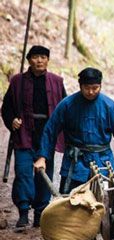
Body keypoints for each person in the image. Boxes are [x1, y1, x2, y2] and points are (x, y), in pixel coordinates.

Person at [34, 67, 114, 194]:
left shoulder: (109, 106)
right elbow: (50, 131)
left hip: (103, 162)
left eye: (95, 88)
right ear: (80, 86)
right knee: (70, 203)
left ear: (100, 86)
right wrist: (42, 157)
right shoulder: (67, 105)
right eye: (87, 88)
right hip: (75, 163)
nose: (90, 92)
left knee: (110, 201)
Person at [1, 45, 67, 228]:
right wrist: (12, 120)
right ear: (29, 60)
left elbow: (65, 108)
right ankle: (23, 212)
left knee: (44, 176)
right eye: (36, 57)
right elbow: (6, 107)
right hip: (23, 135)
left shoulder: (56, 81)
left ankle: (40, 214)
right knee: (23, 173)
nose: (40, 60)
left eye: (43, 57)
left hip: (47, 136)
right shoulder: (17, 81)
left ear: (48, 60)